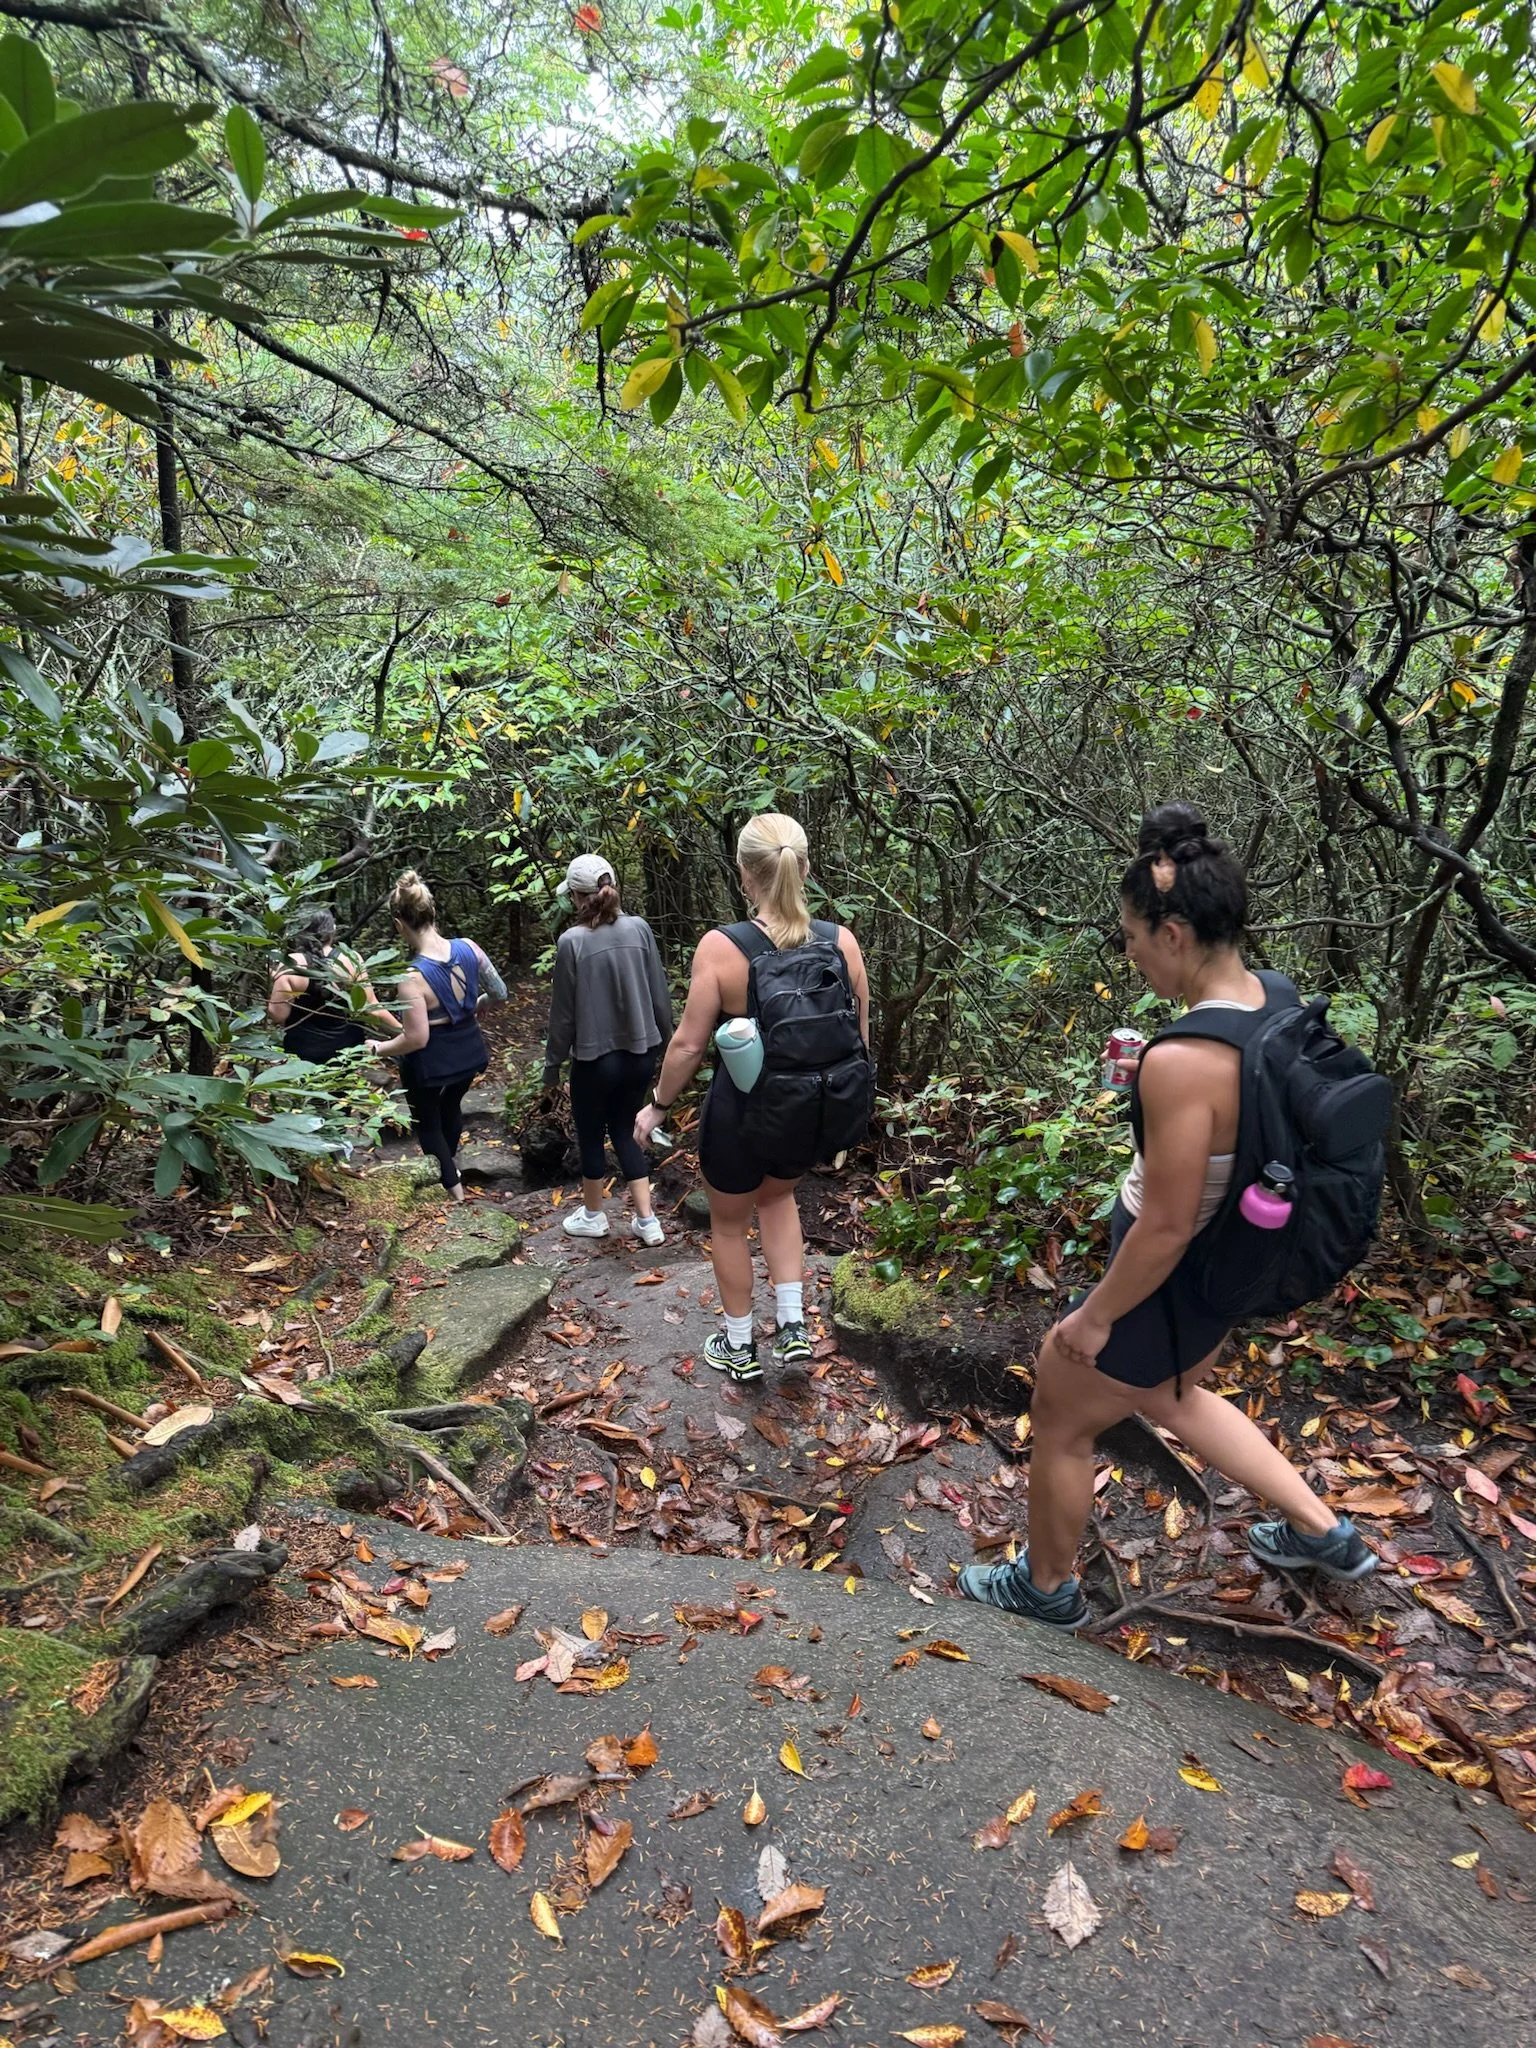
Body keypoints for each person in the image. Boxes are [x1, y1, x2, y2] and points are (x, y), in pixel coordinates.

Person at [959, 802, 1376, 1629]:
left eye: (1132, 936)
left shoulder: (1183, 1062)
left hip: (1166, 1283)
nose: (1130, 951)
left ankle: (1045, 1590)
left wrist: (1093, 1317)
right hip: (1227, 1276)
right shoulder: (1274, 999)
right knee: (1173, 1397)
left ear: (1174, 932)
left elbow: (1166, 1225)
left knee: (1059, 1412)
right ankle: (1325, 1532)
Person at [634, 813, 870, 1384]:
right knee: (779, 1201)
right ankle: (793, 1327)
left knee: (729, 1222)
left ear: (745, 873)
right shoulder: (840, 942)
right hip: (805, 1110)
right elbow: (860, 1039)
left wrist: (658, 1105)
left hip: (741, 1111)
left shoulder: (722, 948)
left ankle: (739, 1344)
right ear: (805, 868)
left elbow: (690, 1044)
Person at [542, 854, 674, 1246]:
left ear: (579, 897)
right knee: (624, 1128)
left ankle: (594, 1215)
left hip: (594, 1060)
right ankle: (648, 1221)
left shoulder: (572, 942)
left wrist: (552, 1066)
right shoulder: (640, 929)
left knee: (590, 1133)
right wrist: (668, 1044)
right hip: (641, 1054)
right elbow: (659, 994)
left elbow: (562, 1015)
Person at [364, 870, 507, 1201]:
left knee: (427, 1122)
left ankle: (452, 1191)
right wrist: (481, 1003)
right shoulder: (469, 948)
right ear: (431, 912)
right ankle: (450, 1166)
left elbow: (416, 1039)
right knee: (451, 1106)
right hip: (470, 1052)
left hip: (431, 1063)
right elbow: (500, 991)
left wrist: (378, 1049)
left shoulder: (411, 977)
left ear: (400, 924)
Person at [266, 909, 374, 1063]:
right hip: (348, 1051)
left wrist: (274, 980)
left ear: (300, 931)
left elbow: (278, 1014)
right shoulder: (353, 959)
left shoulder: (289, 964)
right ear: (333, 930)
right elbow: (369, 1005)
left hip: (303, 1052)